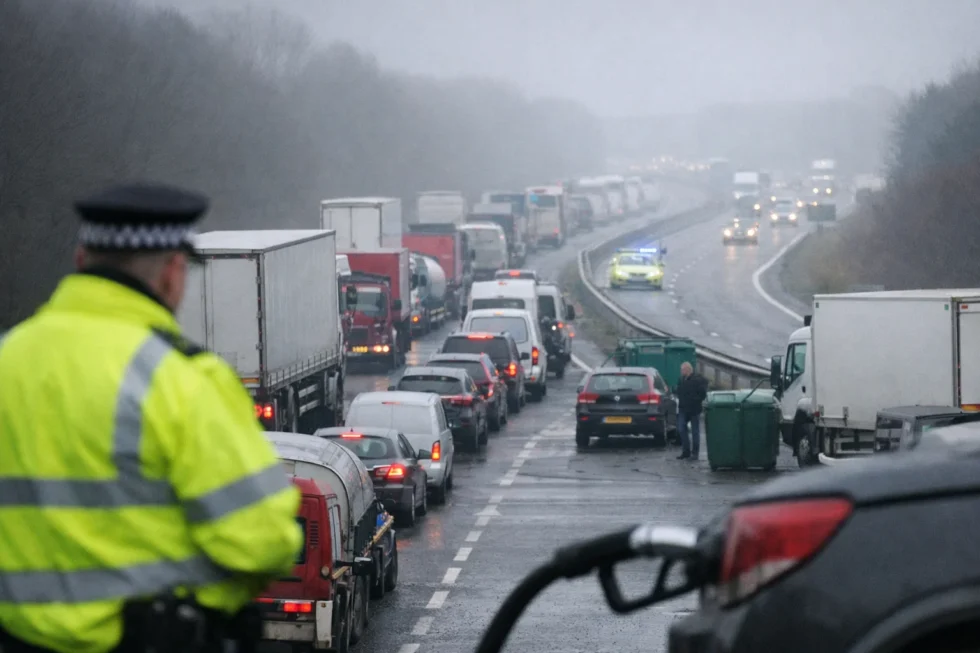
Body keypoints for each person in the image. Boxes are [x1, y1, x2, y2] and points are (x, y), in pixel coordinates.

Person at [0, 183, 303, 653]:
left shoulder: (10, 358)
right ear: (171, 274)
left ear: (80, 260)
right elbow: (264, 541)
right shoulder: (181, 380)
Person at [675, 362, 708, 460]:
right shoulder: (681, 379)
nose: (681, 371)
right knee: (681, 429)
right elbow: (679, 391)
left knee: (695, 431)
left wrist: (695, 400)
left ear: (687, 370)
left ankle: (695, 453)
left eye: (682, 369)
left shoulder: (697, 380)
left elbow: (702, 394)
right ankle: (686, 451)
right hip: (683, 408)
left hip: (694, 408)